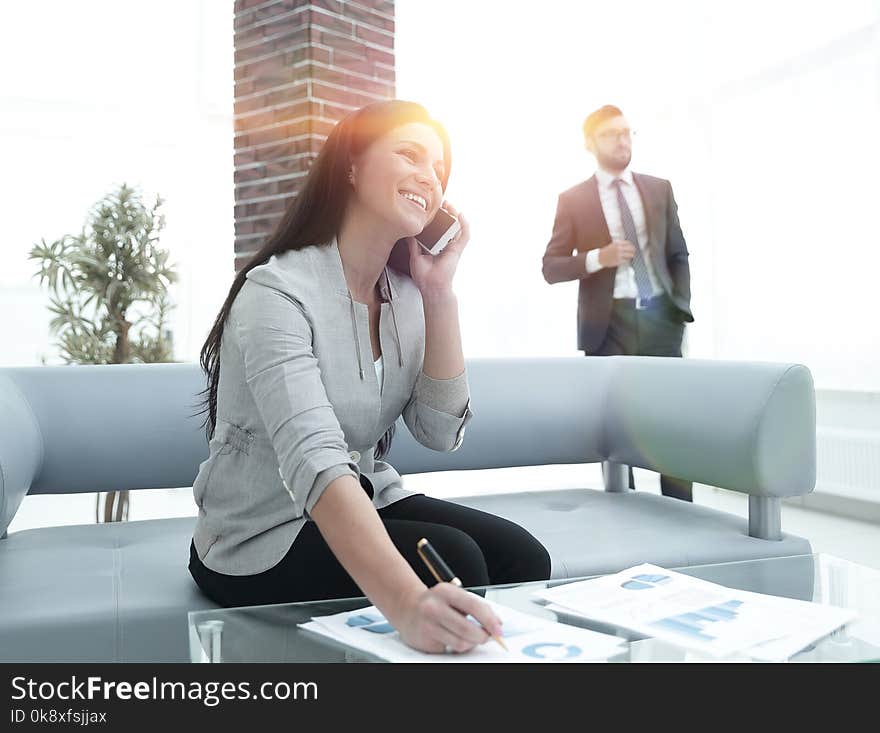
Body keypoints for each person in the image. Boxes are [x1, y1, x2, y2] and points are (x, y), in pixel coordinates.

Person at [189, 100, 552, 654]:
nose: (428, 178)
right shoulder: (276, 292)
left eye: (439, 169)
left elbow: (438, 432)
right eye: (410, 154)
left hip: (365, 495)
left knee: (523, 557)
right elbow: (316, 460)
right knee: (458, 564)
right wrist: (406, 603)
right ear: (352, 166)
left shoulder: (404, 295)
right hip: (260, 532)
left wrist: (438, 292)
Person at [541, 104, 694, 501]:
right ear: (589, 143)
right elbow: (551, 267)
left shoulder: (659, 188)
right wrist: (599, 258)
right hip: (608, 325)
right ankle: (622, 507)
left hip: (661, 318)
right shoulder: (573, 199)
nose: (623, 140)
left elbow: (678, 253)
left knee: (673, 423)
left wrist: (680, 308)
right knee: (617, 427)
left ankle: (681, 511)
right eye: (612, 134)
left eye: (628, 132)